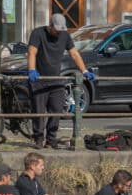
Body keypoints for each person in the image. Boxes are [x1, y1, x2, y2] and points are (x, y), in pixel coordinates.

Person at [27, 13, 97, 149]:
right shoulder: (38, 33)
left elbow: (74, 54)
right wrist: (31, 69)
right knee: (39, 112)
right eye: (57, 30)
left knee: (57, 110)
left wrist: (84, 71)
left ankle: (51, 139)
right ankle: (38, 139)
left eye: (61, 30)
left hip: (56, 79)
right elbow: (32, 52)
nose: (59, 32)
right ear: (50, 25)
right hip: (39, 80)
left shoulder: (64, 36)